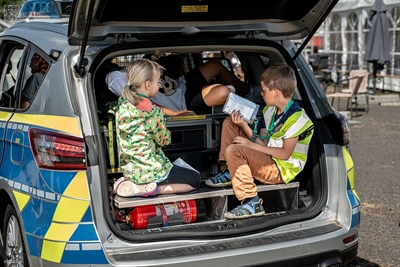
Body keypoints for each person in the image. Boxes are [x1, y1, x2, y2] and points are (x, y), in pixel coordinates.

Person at [205, 65, 314, 220]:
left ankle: (251, 202)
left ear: (276, 93)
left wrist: (248, 145)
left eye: (264, 91)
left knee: (234, 150)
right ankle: (230, 171)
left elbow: (284, 154)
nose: (261, 94)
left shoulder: (297, 118)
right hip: (267, 158)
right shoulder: (269, 111)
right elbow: (262, 143)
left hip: (281, 169)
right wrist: (243, 125)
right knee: (231, 122)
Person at [111, 59, 202, 197]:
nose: (159, 86)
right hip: (150, 171)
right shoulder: (154, 112)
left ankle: (133, 184)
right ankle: (147, 189)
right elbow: (163, 141)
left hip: (130, 171)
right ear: (148, 84)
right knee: (195, 179)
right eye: (158, 81)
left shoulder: (122, 103)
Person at [107, 53, 257, 115]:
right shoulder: (116, 77)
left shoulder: (148, 67)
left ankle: (251, 94)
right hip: (184, 103)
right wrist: (176, 114)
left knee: (214, 65)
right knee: (223, 92)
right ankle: (248, 107)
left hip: (183, 84)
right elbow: (139, 102)